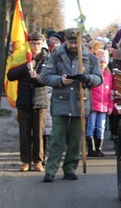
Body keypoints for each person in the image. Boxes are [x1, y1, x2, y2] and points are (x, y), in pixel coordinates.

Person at [41, 28, 103, 182]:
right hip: (61, 102)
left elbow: (99, 79)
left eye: (76, 41)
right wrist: (60, 80)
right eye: (70, 41)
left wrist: (87, 78)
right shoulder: (56, 57)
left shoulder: (90, 58)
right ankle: (50, 170)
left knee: (76, 139)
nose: (73, 44)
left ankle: (70, 168)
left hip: (80, 102)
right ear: (65, 40)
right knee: (57, 138)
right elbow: (46, 77)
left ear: (81, 41)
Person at [6, 32, 49, 172]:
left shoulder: (47, 59)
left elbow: (48, 79)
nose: (35, 46)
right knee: (24, 133)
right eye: (33, 43)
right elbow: (10, 76)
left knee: (38, 133)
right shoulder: (21, 57)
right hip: (24, 101)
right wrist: (26, 67)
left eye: (38, 43)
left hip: (40, 101)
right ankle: (25, 161)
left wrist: (36, 76)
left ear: (43, 43)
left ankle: (38, 161)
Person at [86, 48, 113, 158]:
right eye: (101, 62)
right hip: (93, 105)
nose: (103, 64)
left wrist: (110, 105)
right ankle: (91, 148)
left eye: (105, 62)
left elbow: (110, 91)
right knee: (91, 126)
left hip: (104, 106)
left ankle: (98, 148)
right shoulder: (93, 74)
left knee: (101, 127)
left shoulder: (108, 75)